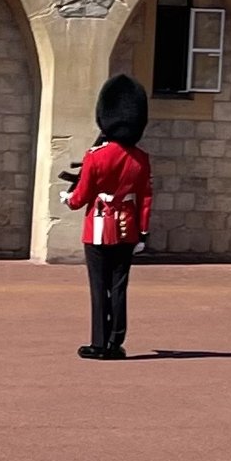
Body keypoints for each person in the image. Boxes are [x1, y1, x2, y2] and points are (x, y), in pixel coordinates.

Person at [67, 75, 153, 359]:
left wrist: (68, 199)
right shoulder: (141, 158)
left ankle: (99, 343)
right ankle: (116, 342)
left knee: (98, 287)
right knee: (118, 288)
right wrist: (143, 231)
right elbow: (145, 198)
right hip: (128, 230)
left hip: (99, 228)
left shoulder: (96, 156)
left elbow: (81, 197)